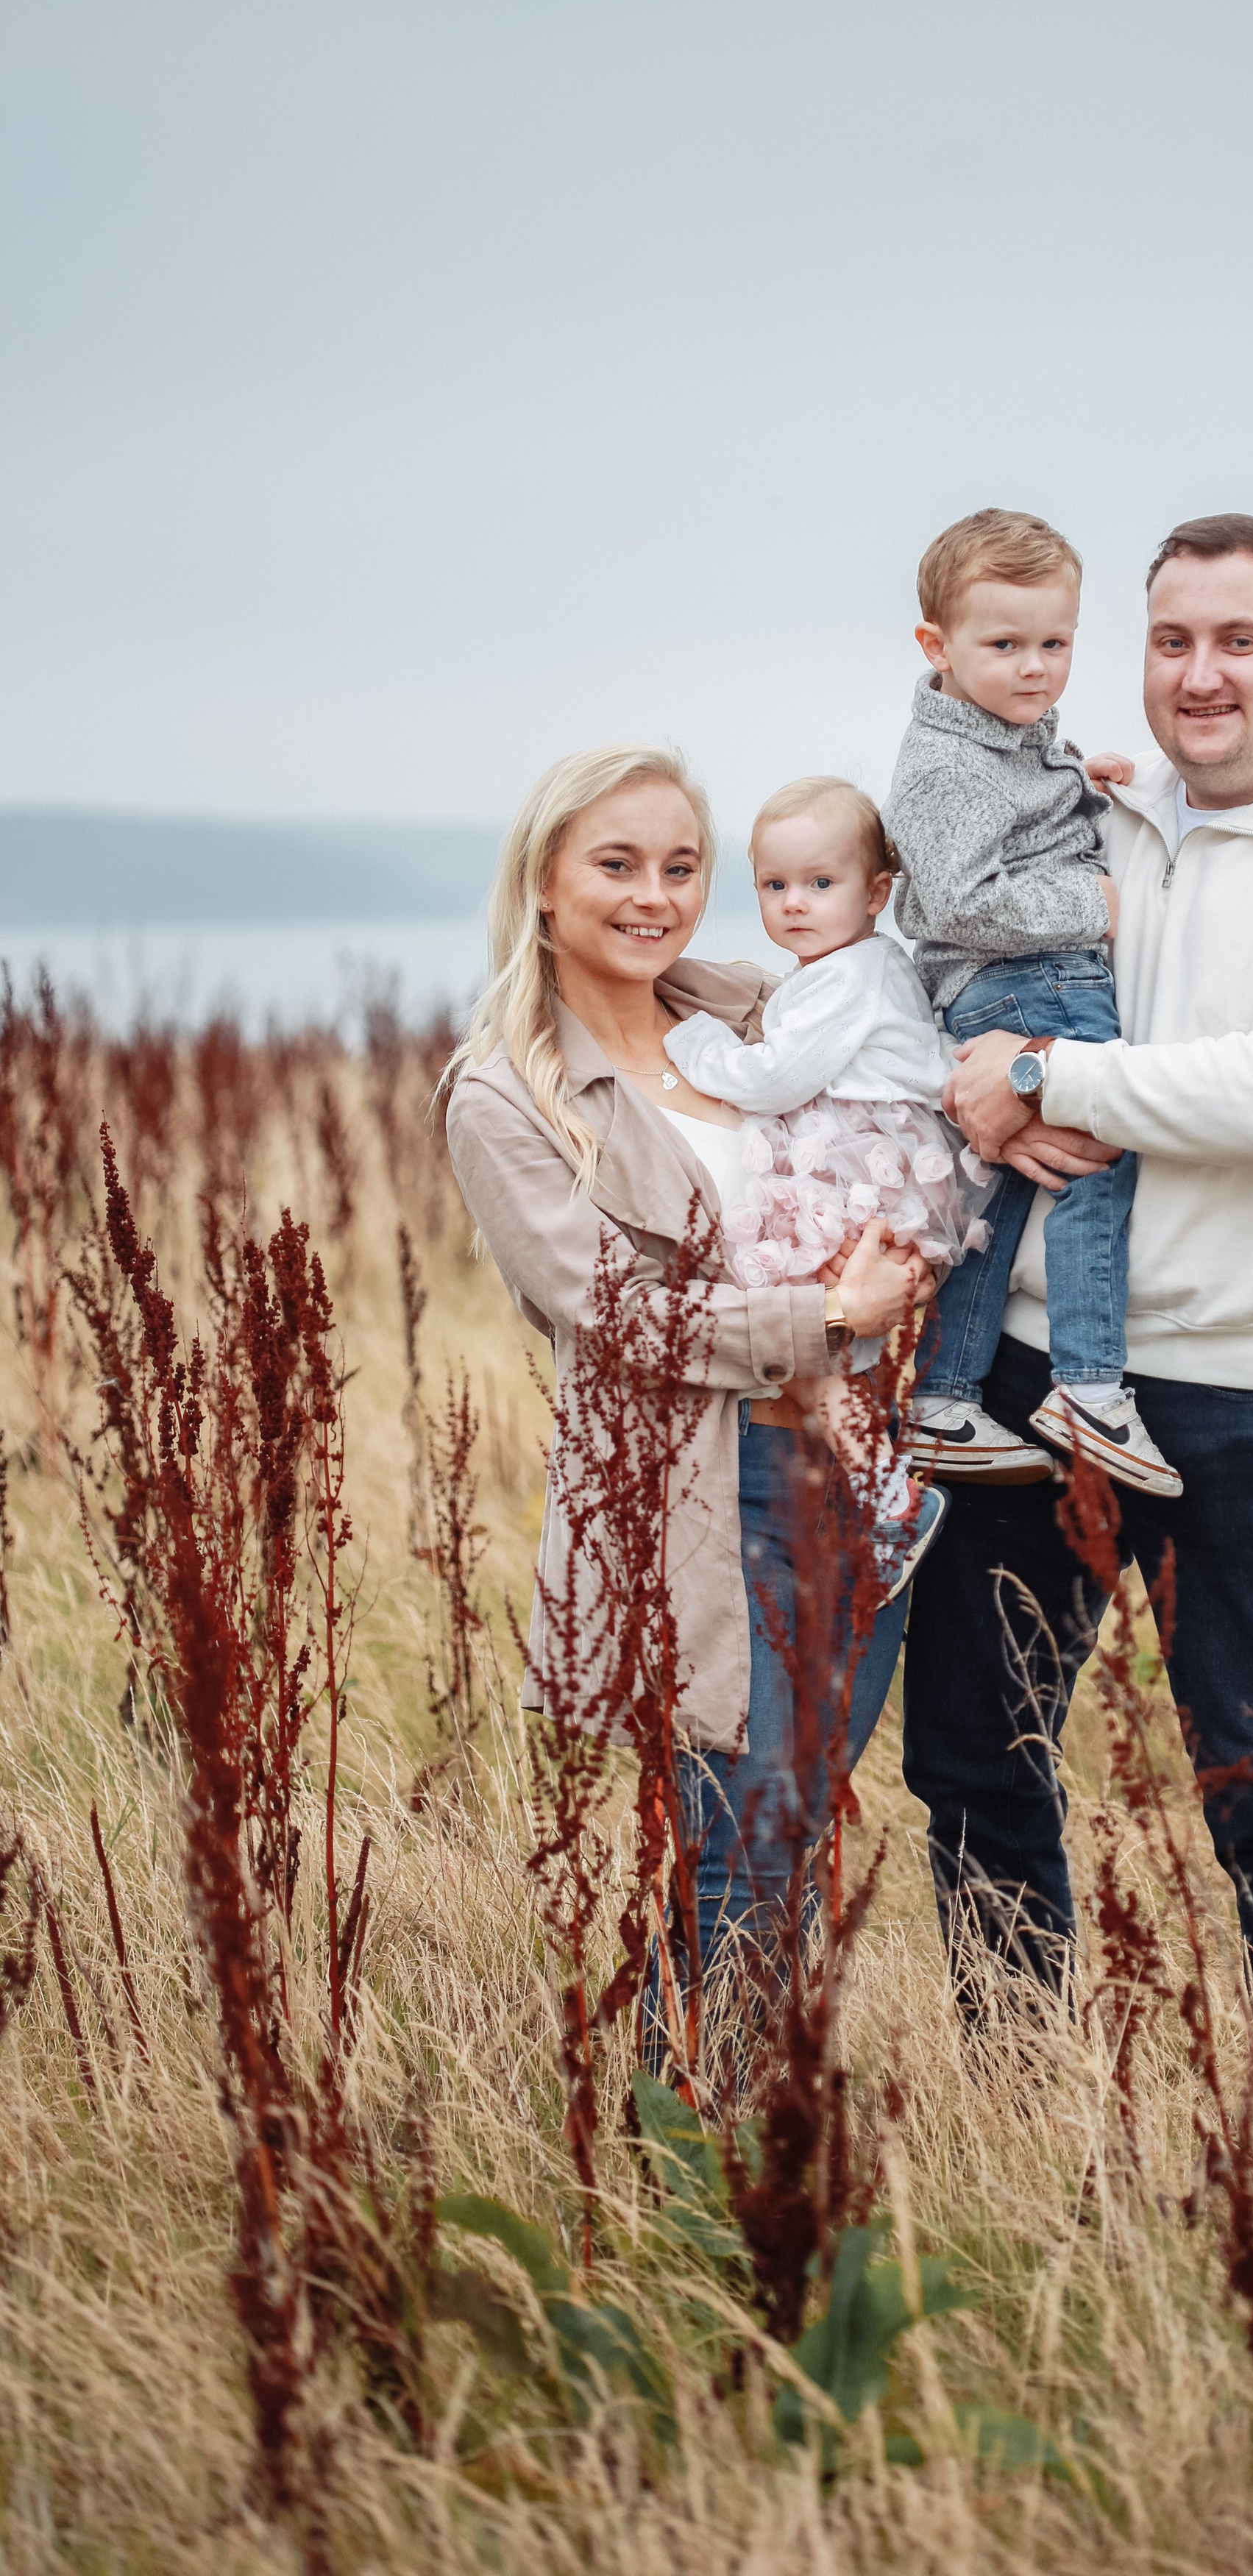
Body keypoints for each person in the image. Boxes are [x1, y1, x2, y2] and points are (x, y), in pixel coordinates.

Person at [901, 514, 1253, 2082]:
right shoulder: (1103, 823)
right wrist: (986, 1085)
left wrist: (1042, 1073)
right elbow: (955, 963)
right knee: (973, 1756)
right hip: (1032, 1369)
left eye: (1238, 641)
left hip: (1249, 1391)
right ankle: (1020, 2104)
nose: (1200, 674)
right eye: (1171, 642)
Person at [443, 744, 935, 2001]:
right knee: (742, 1838)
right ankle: (709, 2177)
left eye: (681, 866)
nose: (653, 896)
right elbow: (612, 1312)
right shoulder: (507, 1093)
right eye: (616, 865)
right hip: (710, 1490)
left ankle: (737, 2147)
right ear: (544, 882)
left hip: (861, 1466)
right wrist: (823, 1313)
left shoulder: (748, 1010)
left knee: (801, 1822)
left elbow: (905, 1005)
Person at [884, 506, 1182, 1500]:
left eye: (1054, 643)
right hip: (1029, 982)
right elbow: (963, 897)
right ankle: (1089, 1387)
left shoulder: (1006, 736)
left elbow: (1016, 826)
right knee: (1098, 1156)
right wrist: (1091, 902)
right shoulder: (947, 763)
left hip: (1024, 983)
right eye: (1005, 645)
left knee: (1005, 1193)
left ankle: (942, 1396)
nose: (1035, 668)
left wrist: (1090, 787)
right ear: (938, 645)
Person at [663, 773, 987, 1575]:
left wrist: (696, 1047)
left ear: (877, 892)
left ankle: (892, 1503)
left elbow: (773, 1077)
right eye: (774, 886)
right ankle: (884, 1495)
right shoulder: (854, 969)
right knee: (814, 1343)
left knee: (803, 1331)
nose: (794, 904)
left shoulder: (850, 976)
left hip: (868, 1170)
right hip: (882, 1166)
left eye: (819, 883)